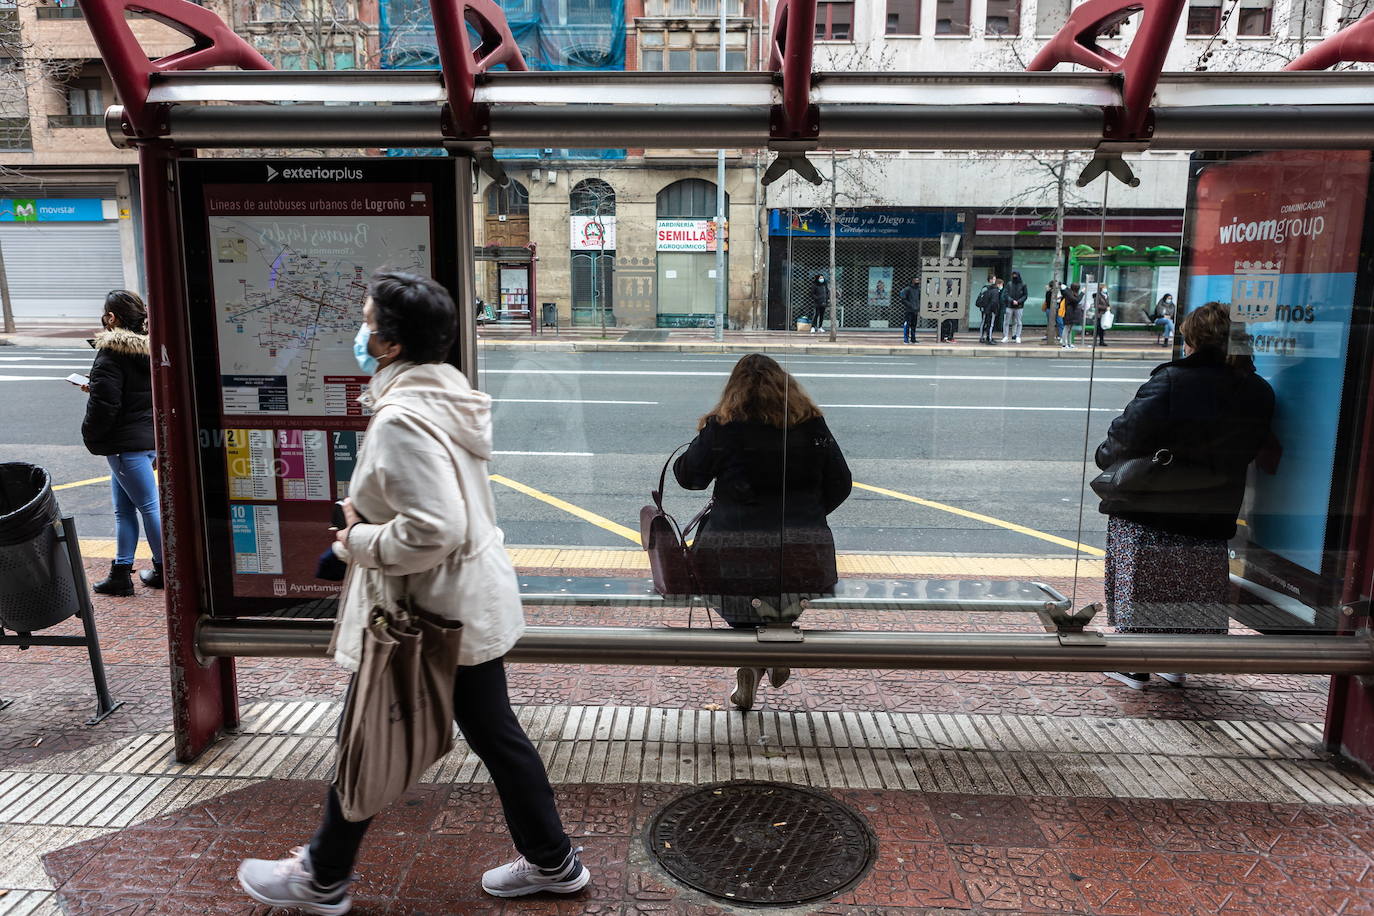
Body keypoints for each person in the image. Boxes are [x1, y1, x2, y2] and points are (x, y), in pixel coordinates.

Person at [238, 272, 589, 913]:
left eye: (368, 322)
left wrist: (358, 542)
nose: (361, 332)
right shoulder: (446, 393)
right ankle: (553, 861)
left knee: (368, 732)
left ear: (392, 346)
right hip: (463, 604)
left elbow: (435, 526)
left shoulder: (402, 417)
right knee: (493, 736)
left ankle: (321, 875)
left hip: (427, 614)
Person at [1094, 303, 1275, 691]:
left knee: (1143, 579)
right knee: (1190, 582)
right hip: (1213, 508)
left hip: (1154, 505)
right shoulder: (1257, 390)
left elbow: (1126, 435)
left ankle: (1134, 663)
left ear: (1192, 338)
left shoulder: (1173, 380)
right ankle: (1177, 660)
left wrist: (1104, 457)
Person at [673, 354, 852, 712]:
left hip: (732, 551)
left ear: (734, 389)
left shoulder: (723, 426)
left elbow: (689, 477)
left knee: (728, 591)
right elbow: (841, 483)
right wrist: (807, 517)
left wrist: (704, 441)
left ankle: (755, 656)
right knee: (781, 598)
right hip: (804, 551)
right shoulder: (811, 424)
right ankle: (773, 644)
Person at [82, 290, 162, 596]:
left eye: (105, 314)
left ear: (112, 318)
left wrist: (91, 435)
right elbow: (138, 395)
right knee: (124, 510)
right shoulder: (148, 350)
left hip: (124, 446)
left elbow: (105, 407)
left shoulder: (110, 355)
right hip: (144, 439)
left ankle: (165, 569)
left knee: (149, 508)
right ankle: (120, 572)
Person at [976, 275, 1003, 345]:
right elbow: (984, 299)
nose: (995, 280)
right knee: (985, 322)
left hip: (987, 308)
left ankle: (987, 336)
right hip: (986, 308)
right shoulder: (986, 288)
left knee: (987, 323)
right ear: (990, 280)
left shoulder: (991, 288)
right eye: (994, 279)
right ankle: (983, 337)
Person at [1001, 271, 1027, 344]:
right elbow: (1006, 294)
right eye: (1013, 275)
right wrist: (1012, 301)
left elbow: (1025, 295)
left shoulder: (1023, 285)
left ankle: (1018, 336)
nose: (1014, 276)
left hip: (1019, 306)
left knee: (1018, 322)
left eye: (1015, 275)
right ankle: (1005, 336)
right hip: (1010, 305)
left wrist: (1018, 301)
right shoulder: (1009, 284)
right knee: (1007, 322)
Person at [1061, 283, 1085, 349]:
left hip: (1072, 313)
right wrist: (1082, 293)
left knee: (1069, 329)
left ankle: (1069, 343)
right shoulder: (1068, 293)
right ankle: (1064, 344)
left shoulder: (1070, 293)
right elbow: (1076, 300)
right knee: (1066, 328)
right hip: (1069, 313)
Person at [898, 278, 920, 343]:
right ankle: (906, 339)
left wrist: (917, 306)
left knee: (914, 325)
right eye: (916, 280)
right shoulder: (907, 289)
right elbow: (902, 298)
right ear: (912, 281)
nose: (917, 282)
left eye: (918, 281)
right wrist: (910, 305)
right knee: (907, 324)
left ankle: (913, 338)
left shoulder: (918, 290)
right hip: (909, 310)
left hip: (915, 310)